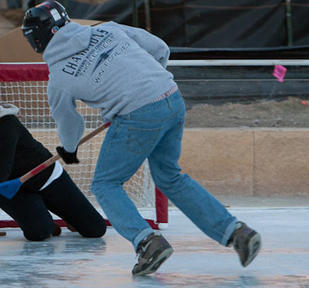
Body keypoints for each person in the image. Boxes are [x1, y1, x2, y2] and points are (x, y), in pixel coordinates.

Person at [21, 1, 261, 276]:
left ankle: (147, 243)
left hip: (138, 116)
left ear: (37, 39)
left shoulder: (59, 77)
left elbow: (69, 120)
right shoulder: (107, 29)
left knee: (105, 184)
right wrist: (148, 84)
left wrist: (69, 149)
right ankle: (237, 232)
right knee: (170, 177)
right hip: (171, 97)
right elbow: (160, 49)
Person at [0, 75, 106, 243]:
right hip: (11, 190)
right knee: (39, 233)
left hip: (47, 179)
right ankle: (44, 220)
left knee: (95, 229)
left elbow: (2, 168)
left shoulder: (5, 124)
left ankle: (66, 215)